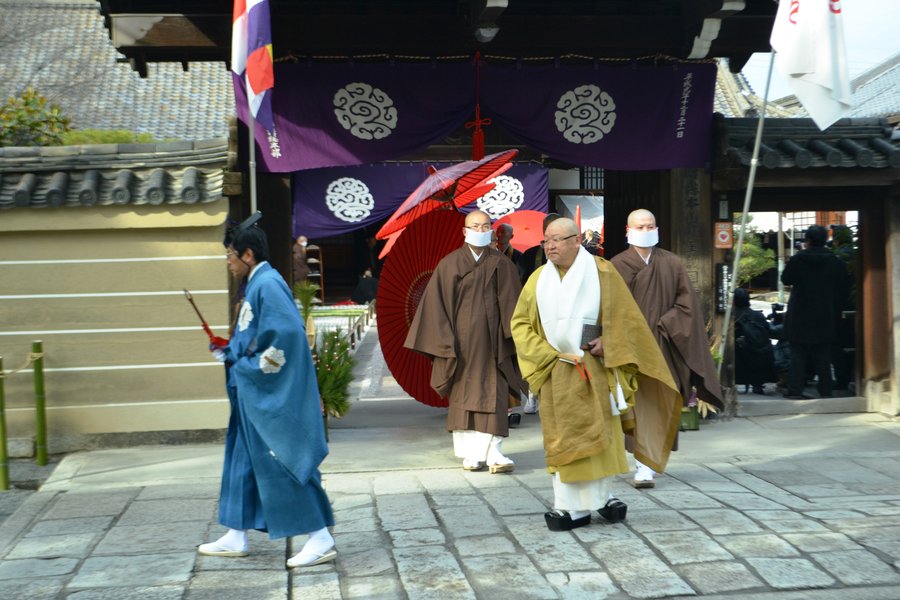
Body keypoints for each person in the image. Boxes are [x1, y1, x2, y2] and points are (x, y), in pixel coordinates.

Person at [511, 218, 681, 531]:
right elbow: (520, 324)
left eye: (557, 240)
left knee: (600, 438)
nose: (550, 246)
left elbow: (627, 320)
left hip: (595, 368)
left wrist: (610, 342)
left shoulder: (603, 272)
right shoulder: (537, 279)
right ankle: (571, 506)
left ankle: (600, 498)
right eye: (546, 240)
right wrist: (545, 354)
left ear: (577, 240)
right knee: (565, 440)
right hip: (556, 370)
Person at [198, 215, 336, 569]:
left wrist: (244, 366)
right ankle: (236, 532)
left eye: (230, 255)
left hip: (268, 393)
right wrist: (229, 351)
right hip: (251, 391)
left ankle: (320, 537)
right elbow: (257, 336)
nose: (228, 263)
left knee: (283, 459)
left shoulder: (267, 285)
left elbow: (285, 337)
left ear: (247, 254)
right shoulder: (259, 283)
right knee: (242, 460)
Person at [405, 209, 528, 473]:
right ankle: (471, 455)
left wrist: (515, 336)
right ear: (464, 231)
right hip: (460, 345)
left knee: (495, 395)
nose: (480, 231)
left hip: (495, 343)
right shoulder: (449, 265)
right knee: (463, 396)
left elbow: (514, 305)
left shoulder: (503, 264)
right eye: (475, 226)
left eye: (485, 226)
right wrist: (445, 343)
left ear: (492, 231)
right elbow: (435, 308)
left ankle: (494, 452)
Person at [610, 208, 724, 489]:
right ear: (628, 230)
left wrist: (664, 323)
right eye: (640, 226)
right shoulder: (615, 265)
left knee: (660, 402)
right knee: (636, 406)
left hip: (663, 344)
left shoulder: (672, 264)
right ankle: (641, 463)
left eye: (650, 226)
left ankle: (648, 463)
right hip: (631, 348)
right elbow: (608, 307)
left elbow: (687, 307)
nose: (646, 231)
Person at [780, 225, 851, 399]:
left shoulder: (798, 260)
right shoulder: (835, 262)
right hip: (825, 312)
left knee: (797, 353)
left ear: (807, 240)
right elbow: (844, 286)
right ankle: (825, 390)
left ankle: (795, 390)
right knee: (823, 354)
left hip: (800, 313)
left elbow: (786, 279)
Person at [734, 288, 776, 394]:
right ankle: (757, 385)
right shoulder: (758, 315)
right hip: (759, 357)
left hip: (739, 360)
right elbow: (769, 332)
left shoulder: (732, 316)